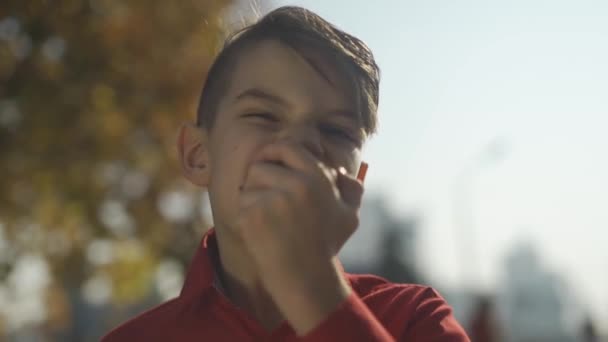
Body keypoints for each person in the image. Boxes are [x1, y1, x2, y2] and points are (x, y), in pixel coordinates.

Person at [102, 6, 469, 341]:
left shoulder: (415, 319)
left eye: (336, 131)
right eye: (263, 115)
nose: (299, 145)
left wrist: (314, 287)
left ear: (356, 184)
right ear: (198, 155)